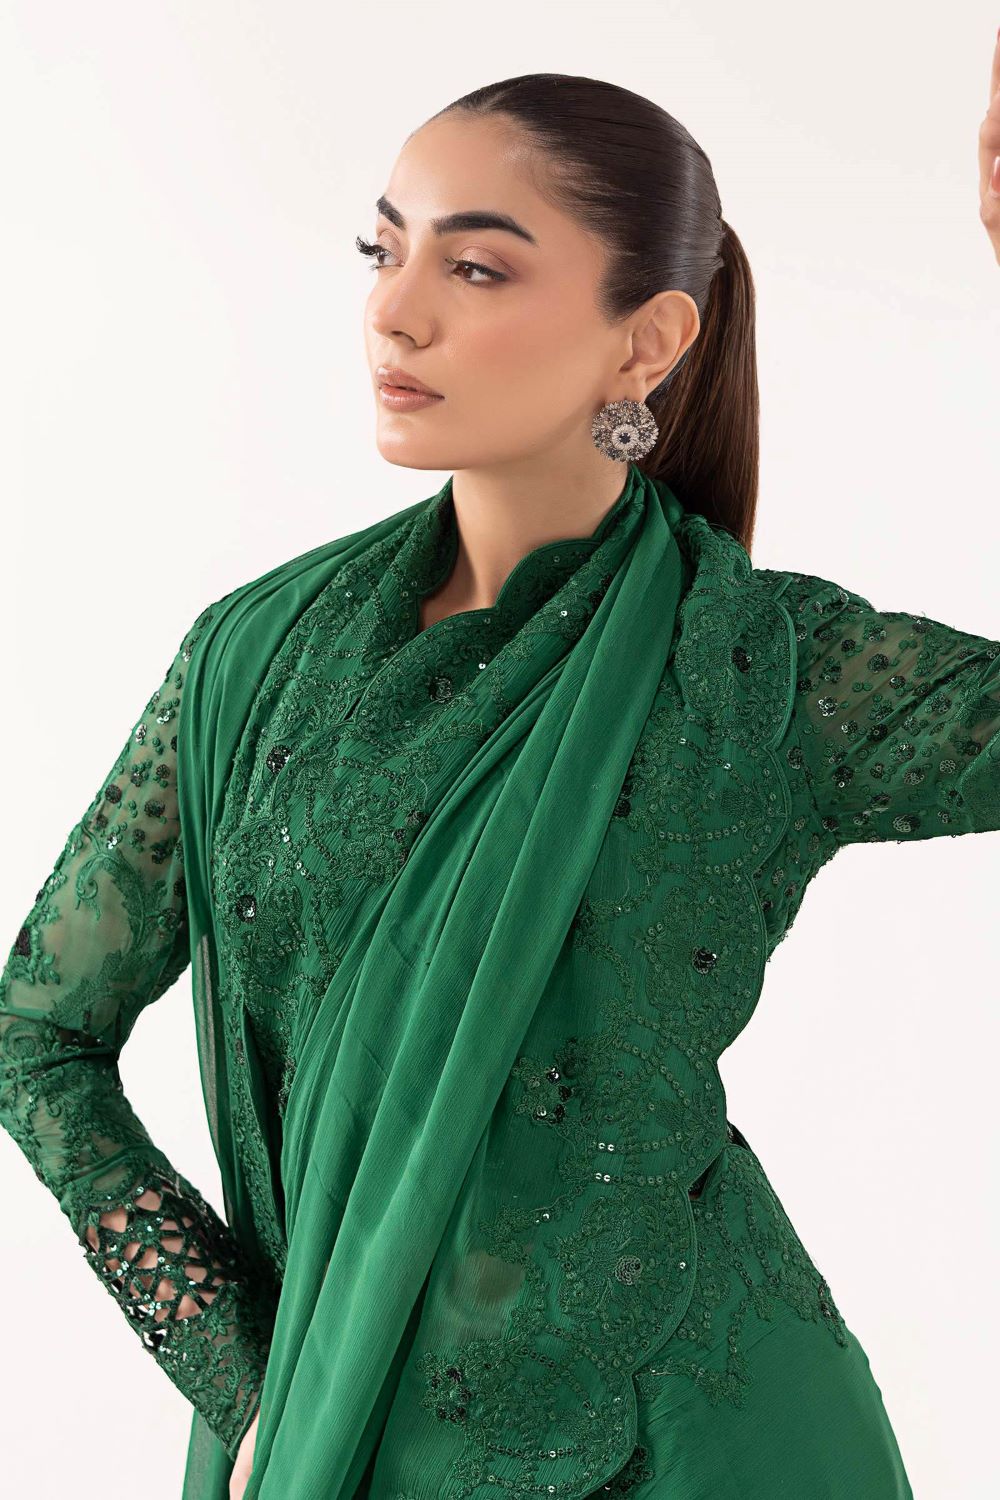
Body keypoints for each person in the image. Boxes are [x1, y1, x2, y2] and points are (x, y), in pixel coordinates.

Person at [3, 59, 1000, 1500]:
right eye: (383, 249)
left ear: (646, 342)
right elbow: (36, 1033)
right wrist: (242, 1366)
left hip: (694, 1442)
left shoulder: (760, 672)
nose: (395, 311)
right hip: (325, 1427)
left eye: (474, 267)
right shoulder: (251, 662)